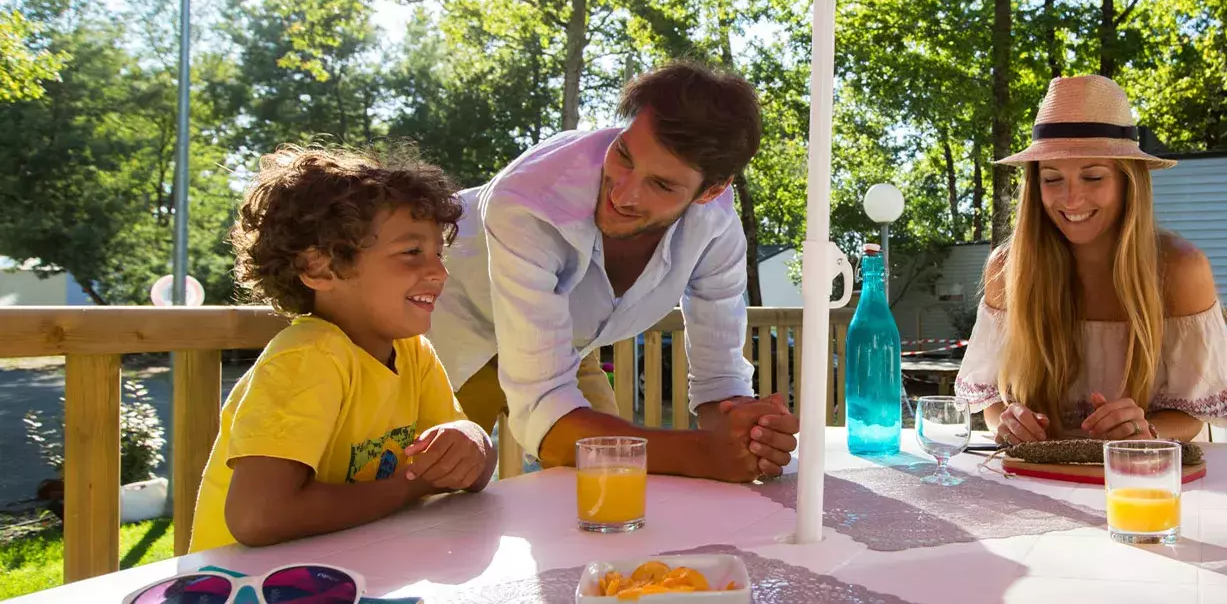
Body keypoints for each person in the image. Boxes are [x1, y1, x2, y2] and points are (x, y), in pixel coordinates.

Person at [428, 60, 796, 483]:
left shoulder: (717, 228)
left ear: (711, 191)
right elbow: (546, 417)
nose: (623, 193)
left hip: (565, 344)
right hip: (451, 335)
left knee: (616, 483)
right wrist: (703, 454)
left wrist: (747, 432)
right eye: (623, 155)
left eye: (661, 185)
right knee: (426, 502)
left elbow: (719, 378)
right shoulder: (528, 199)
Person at [190, 146, 495, 552]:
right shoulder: (308, 357)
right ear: (320, 268)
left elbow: (472, 468)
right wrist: (410, 486)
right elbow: (258, 517)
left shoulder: (413, 352)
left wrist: (470, 440)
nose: (440, 272)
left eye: (438, 254)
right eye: (411, 253)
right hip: (245, 587)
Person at [954, 75, 1227, 444]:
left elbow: (1196, 415)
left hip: (1158, 476)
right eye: (1052, 179)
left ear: (1130, 182)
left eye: (1093, 177)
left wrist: (1145, 431)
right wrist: (1008, 422)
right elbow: (991, 401)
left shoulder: (1180, 267)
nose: (1071, 199)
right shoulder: (1007, 268)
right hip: (1048, 475)